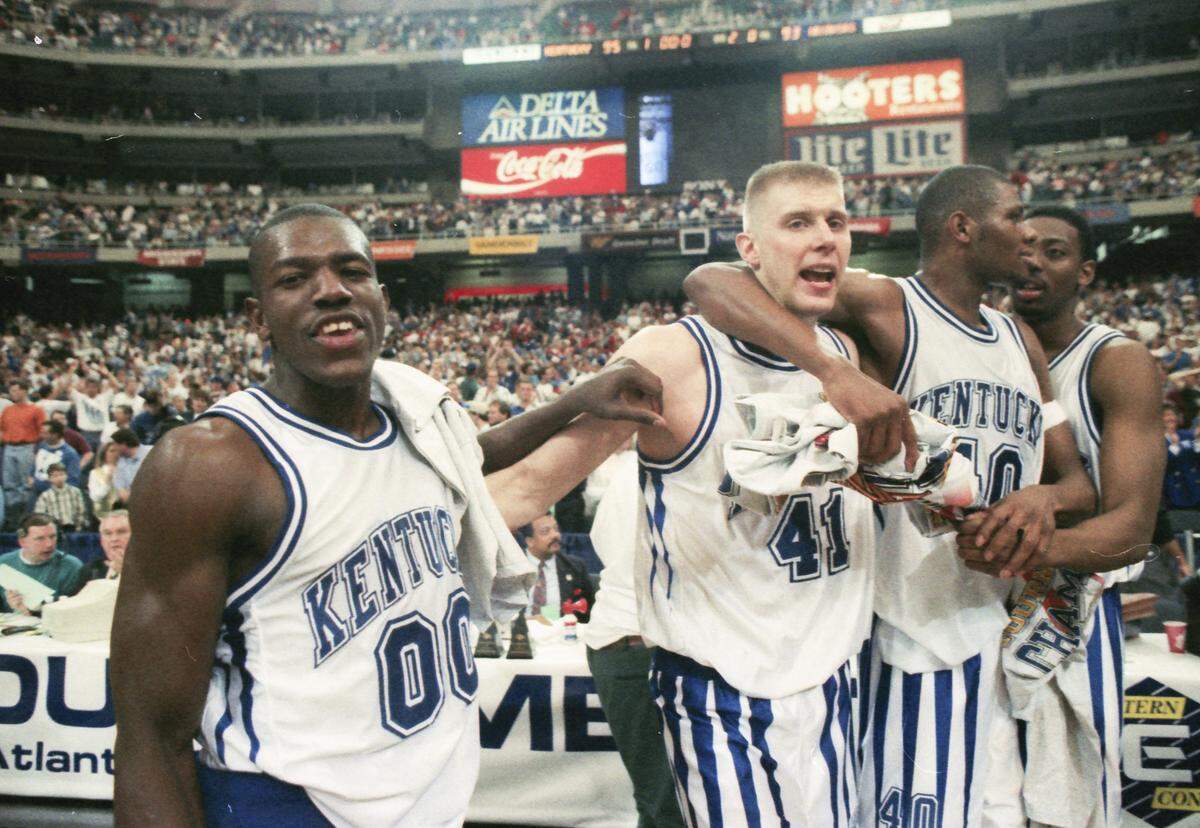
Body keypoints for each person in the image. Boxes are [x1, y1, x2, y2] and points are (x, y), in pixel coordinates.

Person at [110, 203, 661, 827]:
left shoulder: (416, 419)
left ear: (381, 297)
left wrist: (575, 400)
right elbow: (149, 735)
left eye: (352, 271)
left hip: (428, 796)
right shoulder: (210, 465)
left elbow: (470, 456)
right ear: (257, 318)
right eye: (295, 279)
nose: (331, 291)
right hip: (289, 803)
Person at [684, 165, 1095, 826]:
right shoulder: (889, 303)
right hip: (914, 626)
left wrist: (1041, 502)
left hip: (994, 623)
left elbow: (1077, 483)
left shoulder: (1020, 338)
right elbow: (709, 281)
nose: (1026, 235)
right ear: (963, 227)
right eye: (1015, 218)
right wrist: (834, 371)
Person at [517, 162, 881, 824]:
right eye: (798, 222)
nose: (825, 237)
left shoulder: (847, 355)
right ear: (748, 249)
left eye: (836, 221)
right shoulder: (675, 355)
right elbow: (530, 484)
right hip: (725, 693)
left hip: (834, 679)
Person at [971, 204, 1164, 824]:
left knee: (1066, 809)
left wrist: (1013, 544)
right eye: (1022, 246)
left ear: (1084, 274)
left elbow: (1131, 531)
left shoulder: (1116, 361)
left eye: (1053, 252)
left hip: (1064, 608)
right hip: (966, 606)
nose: (1031, 260)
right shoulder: (971, 345)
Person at [583, 443, 684, 828]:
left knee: (664, 800)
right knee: (668, 802)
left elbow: (601, 542)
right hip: (639, 638)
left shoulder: (631, 466)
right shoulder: (658, 469)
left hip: (629, 638)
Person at [0, 513, 82, 615]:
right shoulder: (3, 564)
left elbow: (76, 613)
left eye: (52, 537)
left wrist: (28, 613)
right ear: (22, 542)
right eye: (40, 539)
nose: (49, 544)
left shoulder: (72, 567)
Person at [523, 512, 596, 622]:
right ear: (530, 541)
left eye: (556, 529)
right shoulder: (511, 567)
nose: (555, 535)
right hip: (518, 635)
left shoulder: (575, 567)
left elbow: (588, 614)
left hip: (562, 634)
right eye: (545, 532)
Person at [2, 380, 45, 531]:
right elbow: (2, 428)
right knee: (9, 483)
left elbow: (42, 431)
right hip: (9, 447)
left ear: (24, 391)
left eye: (15, 390)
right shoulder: (8, 410)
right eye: (11, 390)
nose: (12, 393)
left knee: (25, 483)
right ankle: (12, 519)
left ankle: (26, 518)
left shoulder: (36, 409)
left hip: (27, 446)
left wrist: (36, 449)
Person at [73, 509, 131, 590]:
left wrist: (127, 573)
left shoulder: (151, 568)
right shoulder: (90, 571)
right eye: (108, 533)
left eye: (121, 532)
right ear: (101, 540)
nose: (114, 539)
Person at [33, 462, 88, 532]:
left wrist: (78, 527)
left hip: (73, 528)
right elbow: (39, 515)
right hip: (54, 530)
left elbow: (81, 511)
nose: (59, 478)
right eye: (55, 476)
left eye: (62, 475)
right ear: (49, 479)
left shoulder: (75, 492)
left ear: (66, 475)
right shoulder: (45, 496)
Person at [34, 420, 83, 492]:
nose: (41, 435)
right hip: (36, 493)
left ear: (55, 435)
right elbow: (36, 464)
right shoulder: (42, 445)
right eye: (41, 432)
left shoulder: (70, 454)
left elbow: (73, 480)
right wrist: (31, 476)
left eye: (45, 433)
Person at [110, 428, 150, 505]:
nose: (114, 448)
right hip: (135, 503)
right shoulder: (121, 464)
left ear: (123, 444)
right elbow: (121, 489)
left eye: (115, 444)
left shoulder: (151, 452)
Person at [88, 441, 123, 516]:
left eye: (118, 451)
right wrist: (107, 483)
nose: (115, 454)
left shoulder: (126, 471)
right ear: (104, 454)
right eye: (112, 451)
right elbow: (94, 497)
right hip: (103, 514)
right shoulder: (95, 473)